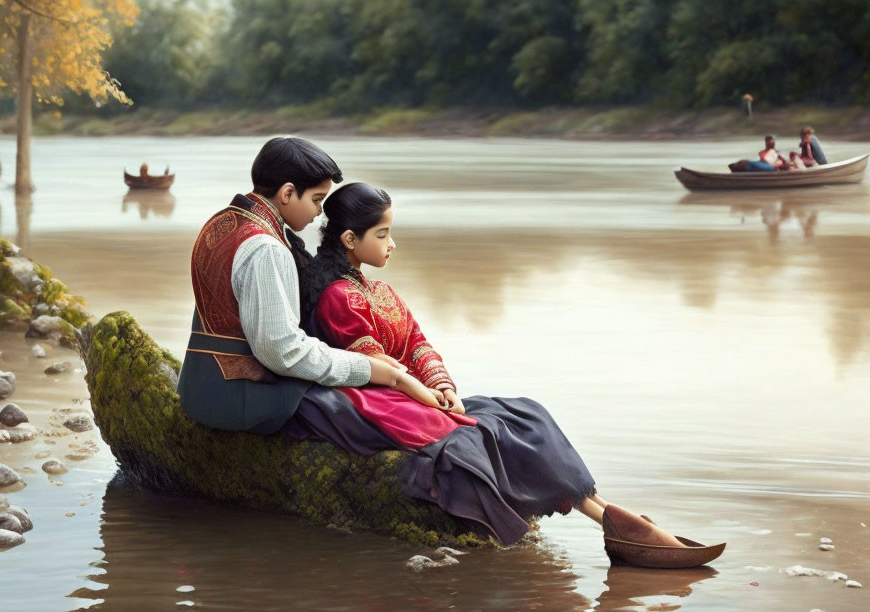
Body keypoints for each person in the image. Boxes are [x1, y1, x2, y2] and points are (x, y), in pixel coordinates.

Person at [292, 182, 718, 564]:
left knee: (525, 414)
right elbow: (373, 366)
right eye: (383, 235)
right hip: (381, 401)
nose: (392, 245)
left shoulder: (379, 289)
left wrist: (441, 384)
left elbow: (417, 343)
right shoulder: (338, 297)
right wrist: (422, 392)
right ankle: (620, 525)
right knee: (479, 438)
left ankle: (612, 516)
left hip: (415, 392)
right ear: (350, 239)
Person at [177, 137, 403, 435]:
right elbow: (282, 352)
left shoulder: (226, 221)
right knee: (378, 415)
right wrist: (366, 368)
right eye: (316, 199)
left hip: (200, 388)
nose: (319, 212)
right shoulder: (265, 247)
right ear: (287, 193)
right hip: (241, 399)